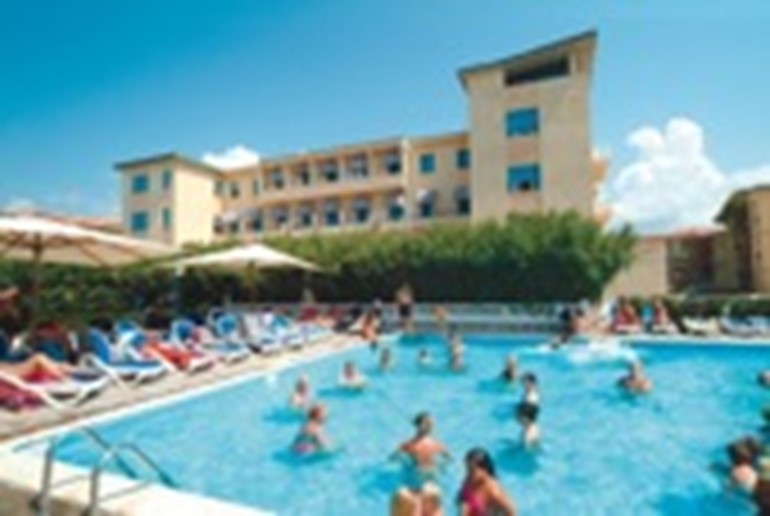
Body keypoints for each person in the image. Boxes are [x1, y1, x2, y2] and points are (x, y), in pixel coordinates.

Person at [457, 447, 516, 516]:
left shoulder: (494, 491)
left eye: (471, 470)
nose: (468, 473)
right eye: (467, 469)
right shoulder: (470, 478)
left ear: (485, 469)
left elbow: (511, 511)